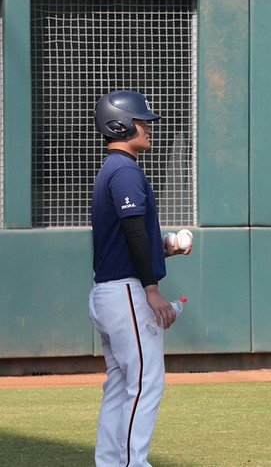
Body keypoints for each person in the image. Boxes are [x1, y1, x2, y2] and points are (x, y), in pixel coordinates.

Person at [89, 90, 191, 467]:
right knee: (146, 383)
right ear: (120, 125)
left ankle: (110, 463)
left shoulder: (114, 169)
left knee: (119, 386)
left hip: (110, 292)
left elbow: (128, 238)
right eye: (141, 121)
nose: (148, 127)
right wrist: (152, 289)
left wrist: (164, 249)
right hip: (127, 293)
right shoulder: (126, 170)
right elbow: (132, 234)